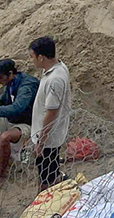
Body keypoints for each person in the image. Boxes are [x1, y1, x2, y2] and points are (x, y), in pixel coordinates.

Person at [28, 37, 71, 191]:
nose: (31, 60)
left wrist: (41, 141)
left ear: (41, 57)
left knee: (46, 176)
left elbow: (51, 112)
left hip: (48, 137)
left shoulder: (55, 79)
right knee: (50, 168)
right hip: (48, 135)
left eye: (32, 56)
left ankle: (46, 200)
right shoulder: (57, 68)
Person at [0, 59, 39, 184]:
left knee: (5, 137)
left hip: (28, 123)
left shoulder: (27, 86)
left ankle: (1, 173)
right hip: (12, 120)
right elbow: (4, 101)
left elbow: (17, 108)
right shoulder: (10, 83)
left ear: (10, 73)